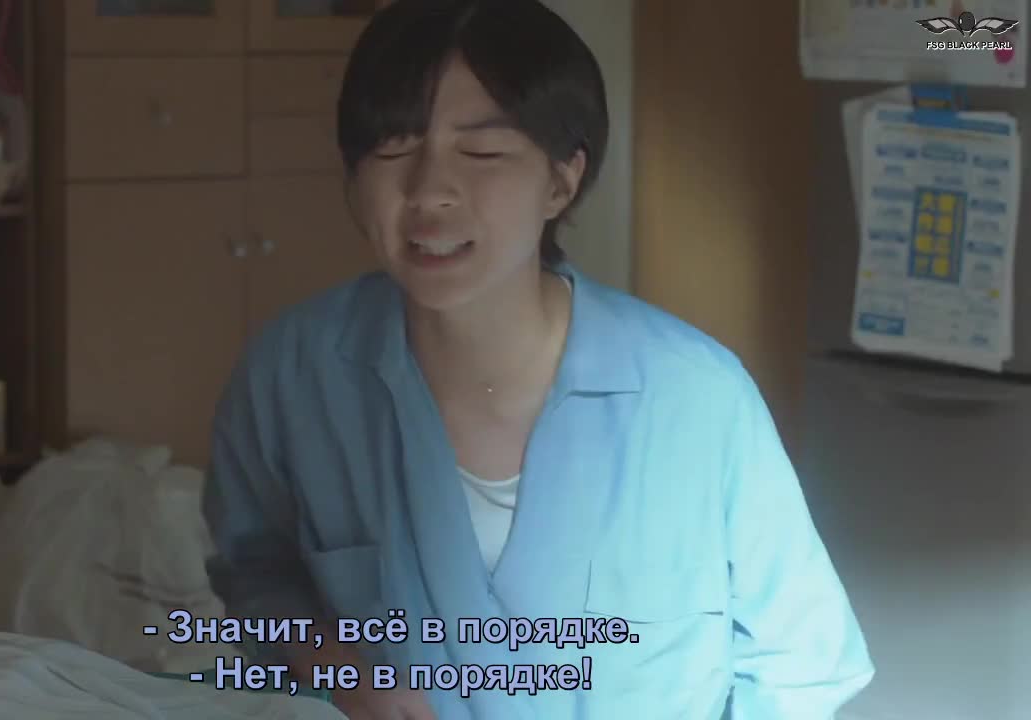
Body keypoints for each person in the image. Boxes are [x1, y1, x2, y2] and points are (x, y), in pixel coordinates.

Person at [201, 1, 875, 718]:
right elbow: (255, 573)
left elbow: (800, 669)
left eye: (483, 153)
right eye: (394, 148)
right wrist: (334, 664)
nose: (429, 191)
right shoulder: (293, 374)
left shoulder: (695, 398)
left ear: (561, 180)